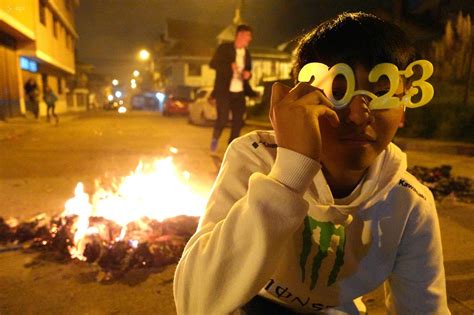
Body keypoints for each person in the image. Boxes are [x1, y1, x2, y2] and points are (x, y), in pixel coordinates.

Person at [174, 12, 450, 314]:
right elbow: (195, 301)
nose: (359, 116)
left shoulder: (409, 203)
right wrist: (289, 174)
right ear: (301, 101)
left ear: (404, 108)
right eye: (338, 92)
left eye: (381, 93)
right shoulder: (257, 157)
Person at [209, 24, 255, 154]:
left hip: (239, 92)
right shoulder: (224, 48)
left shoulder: (247, 53)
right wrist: (229, 66)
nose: (250, 39)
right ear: (240, 35)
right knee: (222, 119)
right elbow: (213, 64)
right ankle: (215, 139)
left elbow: (249, 70)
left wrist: (248, 74)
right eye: (248, 36)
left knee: (238, 121)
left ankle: (231, 148)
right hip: (224, 91)